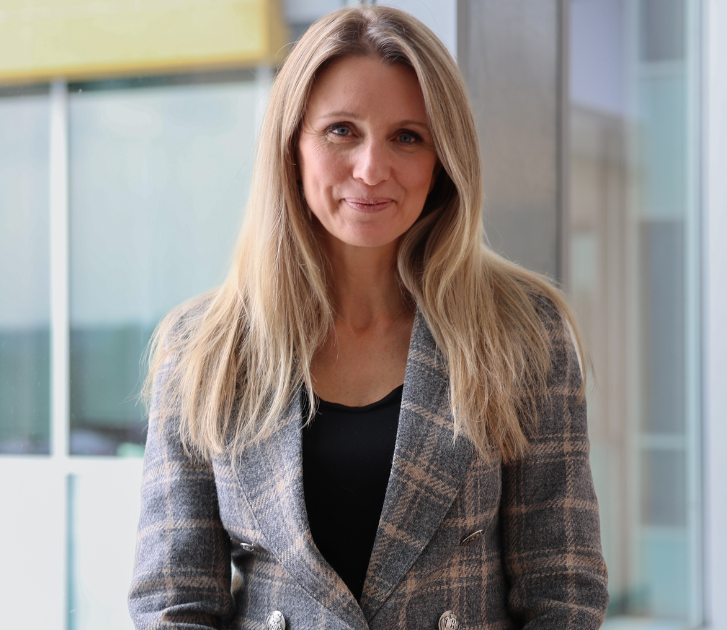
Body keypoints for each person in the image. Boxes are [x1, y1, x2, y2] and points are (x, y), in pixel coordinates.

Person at [128, 6, 609, 630]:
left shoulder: (521, 332)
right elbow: (174, 604)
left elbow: (562, 588)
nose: (371, 169)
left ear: (443, 159)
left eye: (408, 136)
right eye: (340, 131)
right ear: (291, 146)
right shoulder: (204, 349)